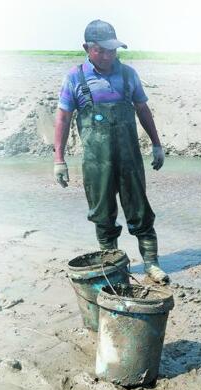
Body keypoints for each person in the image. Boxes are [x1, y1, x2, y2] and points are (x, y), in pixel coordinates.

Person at [53, 19, 168, 283]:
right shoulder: (75, 78)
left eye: (112, 50)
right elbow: (62, 118)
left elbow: (142, 109)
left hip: (129, 159)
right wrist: (59, 159)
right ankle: (114, 264)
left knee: (140, 210)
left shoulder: (128, 75)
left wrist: (157, 144)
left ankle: (151, 262)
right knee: (102, 214)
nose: (107, 56)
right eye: (101, 50)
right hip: (96, 162)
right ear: (87, 48)